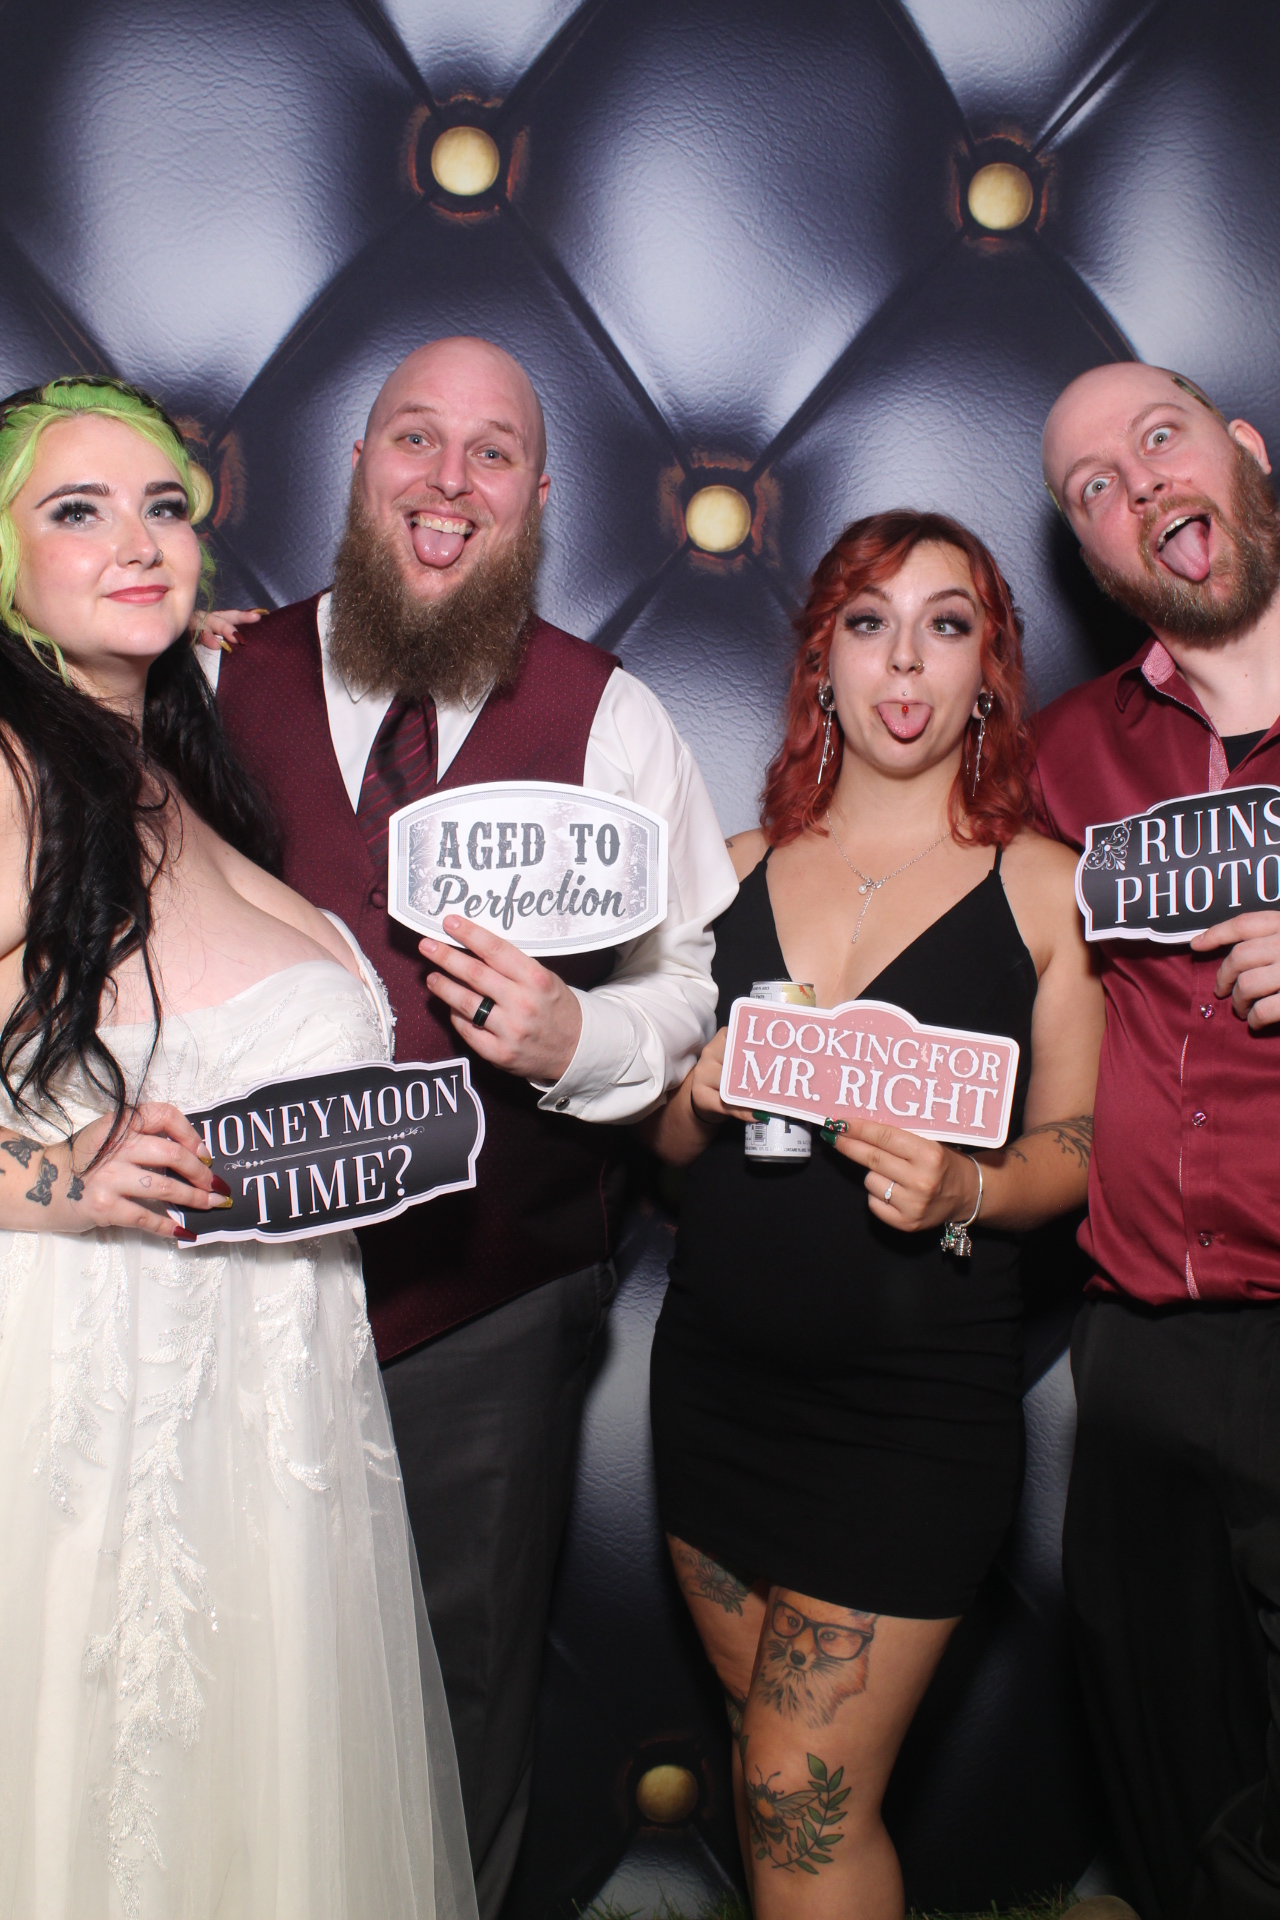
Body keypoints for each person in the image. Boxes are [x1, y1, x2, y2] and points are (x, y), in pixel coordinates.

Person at [202, 335, 737, 1914]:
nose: (450, 481)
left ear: (540, 497)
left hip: (490, 1302)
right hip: (227, 1281)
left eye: (492, 452)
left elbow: (688, 982)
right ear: (357, 467)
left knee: (459, 1697)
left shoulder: (611, 716)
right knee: (229, 1677)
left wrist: (581, 1039)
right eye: (415, 440)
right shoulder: (206, 680)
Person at [0, 378, 476, 1919]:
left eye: (165, 507)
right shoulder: (6, 772)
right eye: (77, 511)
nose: (137, 542)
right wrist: (51, 1179)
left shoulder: (173, 772)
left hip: (266, 1425)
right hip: (99, 1406)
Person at [643, 509, 1104, 1920]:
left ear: (988, 673)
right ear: (822, 664)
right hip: (717, 1393)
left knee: (800, 1795)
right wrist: (693, 1097)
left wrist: (971, 1185)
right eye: (868, 623)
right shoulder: (727, 870)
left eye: (945, 625)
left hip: (910, 1415)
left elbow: (1077, 1146)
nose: (905, 660)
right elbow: (665, 1154)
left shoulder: (1044, 887)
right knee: (771, 1779)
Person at [1037, 360, 1280, 1920]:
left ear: (1243, 450)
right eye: (1096, 488)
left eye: (1161, 439)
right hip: (1134, 1338)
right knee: (1169, 1761)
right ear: (1092, 550)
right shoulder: (1070, 752)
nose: (1142, 487)